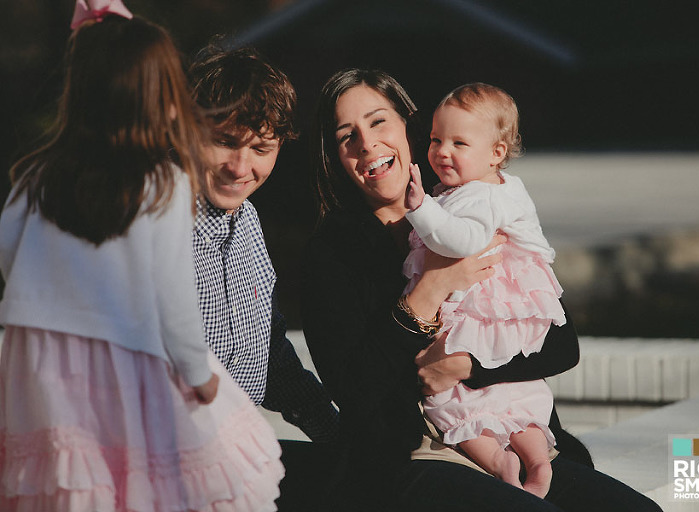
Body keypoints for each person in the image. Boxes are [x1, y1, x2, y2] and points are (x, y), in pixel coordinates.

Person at [301, 68, 663, 511]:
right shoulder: (331, 253)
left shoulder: (469, 201)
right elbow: (355, 388)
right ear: (335, 157)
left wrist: (466, 365)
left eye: (378, 122)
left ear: (408, 126)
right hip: (416, 452)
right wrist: (432, 287)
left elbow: (560, 343)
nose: (367, 144)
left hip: (512, 434)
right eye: (347, 136)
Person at [0, 2, 282, 511]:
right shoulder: (163, 185)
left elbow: (8, 257)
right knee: (137, 480)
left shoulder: (37, 175)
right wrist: (198, 375)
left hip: (39, 371)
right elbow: (173, 300)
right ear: (160, 100)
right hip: (119, 367)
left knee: (70, 482)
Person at [187, 41, 340, 510]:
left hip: (233, 454)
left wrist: (335, 434)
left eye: (260, 148)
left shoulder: (248, 220)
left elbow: (267, 353)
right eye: (224, 142)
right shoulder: (151, 225)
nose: (241, 167)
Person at [403, 83, 565, 497]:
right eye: (436, 139)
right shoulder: (499, 186)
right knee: (516, 397)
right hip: (506, 313)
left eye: (459, 143)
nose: (442, 151)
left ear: (496, 152)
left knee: (449, 400)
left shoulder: (479, 196)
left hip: (480, 311)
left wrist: (420, 208)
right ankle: (536, 460)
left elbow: (459, 241)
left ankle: (497, 461)